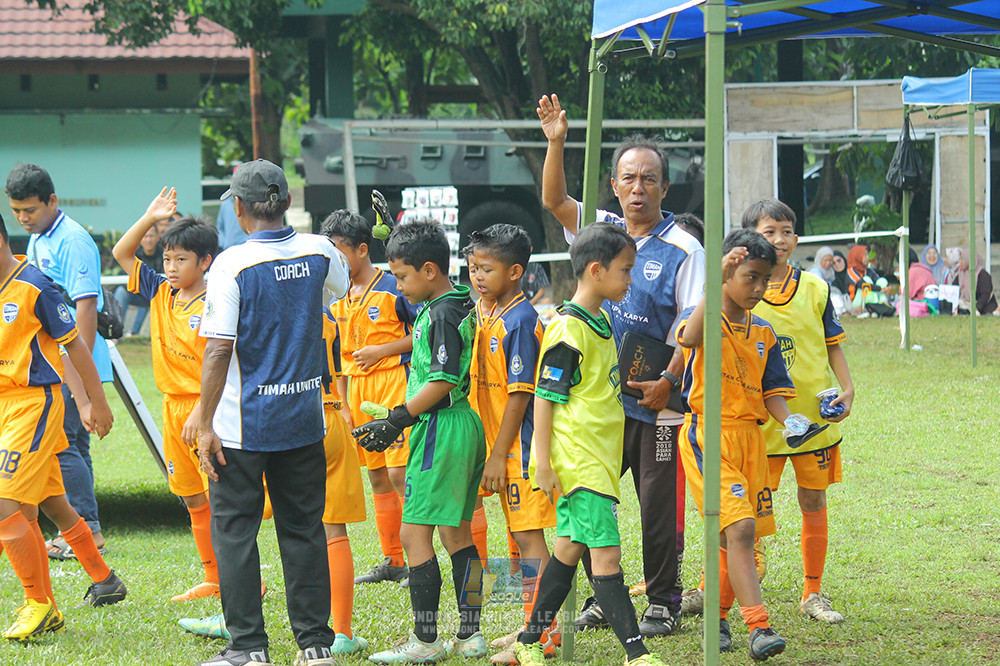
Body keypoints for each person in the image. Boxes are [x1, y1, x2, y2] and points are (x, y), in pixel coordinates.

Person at [538, 93, 705, 635]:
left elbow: (692, 321)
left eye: (649, 179)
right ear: (614, 185)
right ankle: (599, 594)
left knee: (659, 503)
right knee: (593, 498)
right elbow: (555, 199)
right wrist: (558, 142)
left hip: (658, 404)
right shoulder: (602, 232)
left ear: (663, 187)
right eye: (629, 178)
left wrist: (669, 379)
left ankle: (662, 600)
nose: (638, 188)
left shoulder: (684, 247)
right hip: (600, 406)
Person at [196, 158, 350, 666]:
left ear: (239, 210)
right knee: (303, 530)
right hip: (303, 419)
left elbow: (218, 350)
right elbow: (341, 290)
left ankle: (248, 648)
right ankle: (315, 645)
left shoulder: (230, 265)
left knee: (236, 532)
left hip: (242, 426)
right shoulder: (320, 250)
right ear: (286, 202)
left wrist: (204, 420)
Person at [511, 221, 664, 666]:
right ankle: (638, 655)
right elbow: (544, 397)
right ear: (596, 270)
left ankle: (527, 642)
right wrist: (543, 463)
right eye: (625, 271)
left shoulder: (598, 319)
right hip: (579, 461)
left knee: (567, 552)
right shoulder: (567, 330)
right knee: (608, 555)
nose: (630, 280)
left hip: (596, 458)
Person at [355, 219, 487, 663]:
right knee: (456, 533)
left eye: (402, 276)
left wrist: (397, 419)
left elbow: (444, 380)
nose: (398, 285)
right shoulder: (450, 301)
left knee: (414, 534)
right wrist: (394, 234)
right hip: (460, 425)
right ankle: (471, 636)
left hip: (443, 428)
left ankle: (426, 641)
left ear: (430, 270)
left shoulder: (445, 311)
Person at [676, 228, 799, 660]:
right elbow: (688, 338)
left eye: (766, 279)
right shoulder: (704, 315)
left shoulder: (764, 332)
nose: (760, 288)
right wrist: (714, 279)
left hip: (752, 440)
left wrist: (790, 420)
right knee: (740, 528)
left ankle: (718, 619)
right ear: (727, 272)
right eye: (751, 276)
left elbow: (774, 390)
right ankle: (759, 627)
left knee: (733, 538)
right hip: (708, 435)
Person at [0, 212, 116, 640]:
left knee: (6, 505)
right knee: (48, 502)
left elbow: (76, 349)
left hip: (35, 402)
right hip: (5, 405)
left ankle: (39, 604)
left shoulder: (35, 287)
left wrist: (94, 402)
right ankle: (104, 578)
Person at [742, 199, 855, 624]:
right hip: (760, 421)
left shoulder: (815, 288)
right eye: (769, 231)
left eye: (786, 231)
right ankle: (722, 582)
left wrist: (847, 388)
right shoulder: (738, 287)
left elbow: (832, 344)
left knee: (813, 498)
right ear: (750, 237)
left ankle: (813, 592)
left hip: (813, 419)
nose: (779, 239)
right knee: (746, 507)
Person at [112, 188, 220, 602]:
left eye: (181, 260)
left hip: (203, 408)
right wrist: (149, 216)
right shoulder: (161, 291)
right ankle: (213, 579)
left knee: (219, 500)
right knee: (193, 499)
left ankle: (242, 580)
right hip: (172, 407)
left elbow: (224, 361)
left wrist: (203, 411)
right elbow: (124, 253)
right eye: (167, 259)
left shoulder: (216, 302)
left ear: (205, 262)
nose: (171, 268)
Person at [462, 225, 558, 662]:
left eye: (487, 269)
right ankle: (529, 624)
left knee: (530, 539)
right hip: (492, 445)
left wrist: (499, 454)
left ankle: (542, 635)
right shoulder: (483, 311)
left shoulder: (520, 320)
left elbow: (520, 395)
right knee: (515, 540)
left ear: (516, 271)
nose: (477, 277)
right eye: (472, 268)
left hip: (516, 450)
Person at [6, 163, 111, 558]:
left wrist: (78, 380)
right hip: (57, 363)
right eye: (16, 211)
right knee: (69, 446)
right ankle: (84, 529)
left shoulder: (73, 240)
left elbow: (85, 309)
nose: (22, 218)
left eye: (29, 210)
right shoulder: (39, 239)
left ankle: (87, 529)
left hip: (70, 363)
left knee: (65, 447)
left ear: (52, 201)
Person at [322, 209, 418, 587]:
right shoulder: (336, 296)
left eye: (339, 252)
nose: (334, 260)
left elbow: (423, 333)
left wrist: (383, 350)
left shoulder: (394, 287)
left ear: (362, 250)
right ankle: (392, 559)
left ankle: (417, 559)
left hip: (392, 383)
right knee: (377, 475)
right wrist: (343, 405)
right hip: (356, 394)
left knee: (399, 473)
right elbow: (338, 359)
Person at [319, 303, 370, 655]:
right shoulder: (325, 312)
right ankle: (342, 632)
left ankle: (236, 620)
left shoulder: (256, 301)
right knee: (333, 529)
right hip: (329, 414)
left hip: (279, 421)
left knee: (243, 524)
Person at [114, 224, 163, 336]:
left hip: (160, 294)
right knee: (121, 292)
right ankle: (116, 335)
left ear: (157, 237)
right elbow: (124, 277)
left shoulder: (166, 253)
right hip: (138, 293)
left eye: (151, 236)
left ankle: (159, 336)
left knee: (154, 295)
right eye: (145, 236)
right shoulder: (132, 254)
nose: (148, 240)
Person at [946, 247, 997, 315]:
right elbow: (954, 290)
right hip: (966, 307)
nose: (960, 261)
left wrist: (976, 308)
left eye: (962, 259)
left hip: (985, 309)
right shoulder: (960, 275)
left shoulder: (983, 275)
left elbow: (985, 295)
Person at [906, 248, 936, 316]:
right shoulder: (922, 267)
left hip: (926, 304)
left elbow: (907, 294)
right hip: (933, 302)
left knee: (899, 304)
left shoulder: (913, 271)